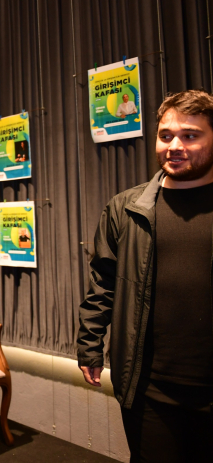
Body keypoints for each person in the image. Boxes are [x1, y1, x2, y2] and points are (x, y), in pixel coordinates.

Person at [77, 89, 213, 462]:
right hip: (149, 391)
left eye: (190, 135)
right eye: (166, 135)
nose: (175, 146)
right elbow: (102, 284)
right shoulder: (125, 209)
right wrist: (89, 345)